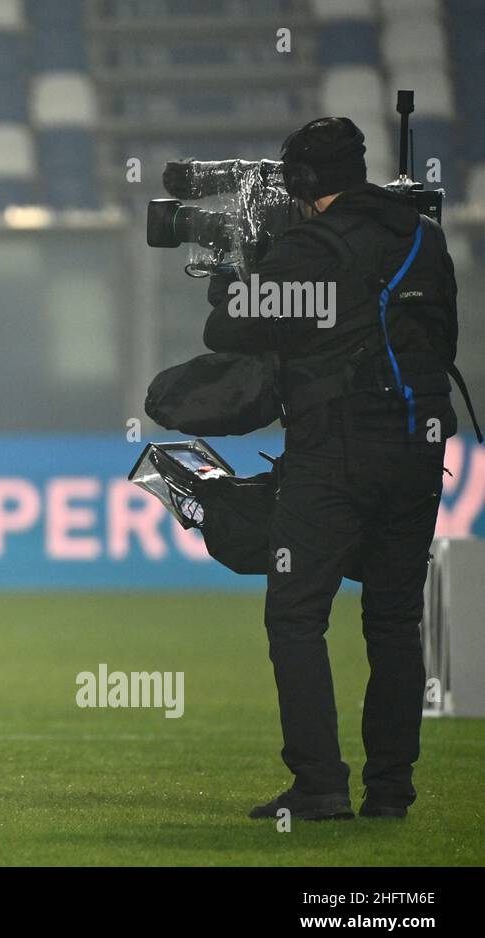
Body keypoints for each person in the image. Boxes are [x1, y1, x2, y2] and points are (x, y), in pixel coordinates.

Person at [204, 117, 480, 820]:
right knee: (393, 622)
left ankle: (320, 785)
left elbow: (230, 329)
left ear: (300, 182)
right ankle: (391, 792)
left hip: (335, 451)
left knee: (296, 616)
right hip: (420, 447)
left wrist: (238, 268)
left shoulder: (307, 248)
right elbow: (442, 335)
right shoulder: (423, 236)